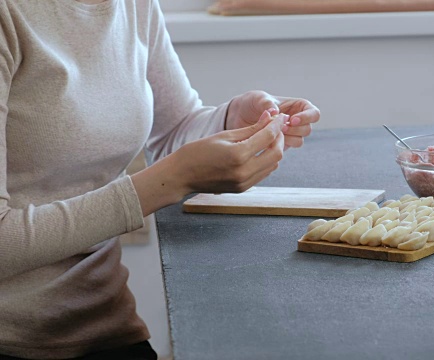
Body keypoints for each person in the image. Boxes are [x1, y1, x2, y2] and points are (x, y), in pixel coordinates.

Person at [0, 0, 320, 359]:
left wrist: (231, 119)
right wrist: (171, 180)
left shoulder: (134, 5)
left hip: (104, 324)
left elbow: (175, 129)